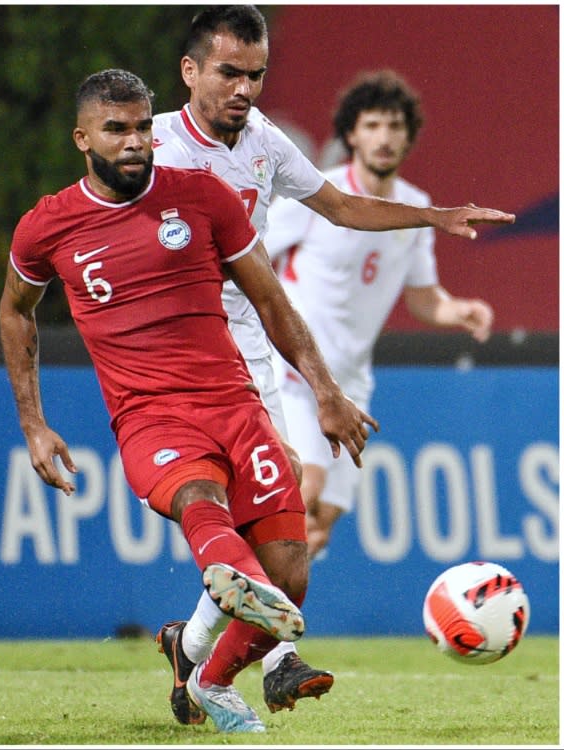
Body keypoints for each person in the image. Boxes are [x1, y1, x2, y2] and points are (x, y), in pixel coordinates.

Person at [149, 5, 515, 724]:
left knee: (290, 526)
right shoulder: (152, 143)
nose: (245, 89)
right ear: (190, 72)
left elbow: (345, 209)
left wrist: (436, 217)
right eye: (230, 73)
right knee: (286, 502)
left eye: (256, 75)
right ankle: (266, 661)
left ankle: (195, 650)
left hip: (263, 352)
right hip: (192, 355)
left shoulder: (266, 145)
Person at [0, 67, 379, 733]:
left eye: (144, 126)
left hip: (234, 405)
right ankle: (235, 584)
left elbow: (270, 301)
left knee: (290, 578)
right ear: (82, 137)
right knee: (200, 501)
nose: (136, 142)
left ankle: (205, 674)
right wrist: (33, 423)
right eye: (117, 129)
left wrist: (325, 390)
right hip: (151, 417)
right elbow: (14, 312)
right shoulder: (48, 226)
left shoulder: (203, 197)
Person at [266, 69, 494, 560]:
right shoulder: (317, 193)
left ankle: (257, 615)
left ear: (409, 136)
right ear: (351, 133)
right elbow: (253, 259)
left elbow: (423, 297)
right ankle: (232, 607)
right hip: (294, 368)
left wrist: (461, 310)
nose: (384, 138)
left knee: (321, 520)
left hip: (352, 382)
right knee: (306, 488)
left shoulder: (416, 208)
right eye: (372, 125)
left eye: (394, 126)